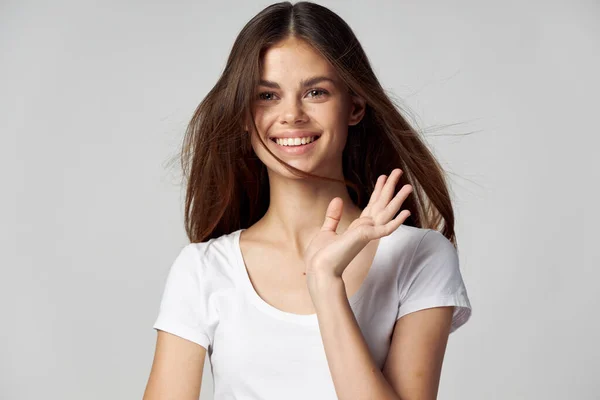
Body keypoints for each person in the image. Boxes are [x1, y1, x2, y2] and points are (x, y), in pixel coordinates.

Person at [143, 1, 472, 399]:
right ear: (244, 115)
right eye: (267, 95)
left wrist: (326, 284)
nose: (291, 115)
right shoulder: (201, 270)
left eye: (315, 92)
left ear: (354, 106)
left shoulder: (419, 256)